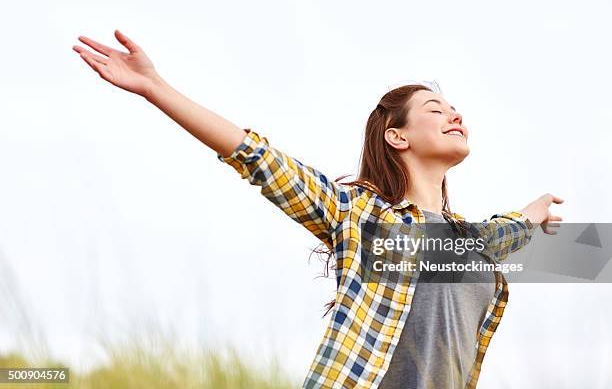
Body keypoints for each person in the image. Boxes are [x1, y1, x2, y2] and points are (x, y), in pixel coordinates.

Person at [72, 30, 564, 389]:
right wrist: (157, 87)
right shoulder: (360, 215)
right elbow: (257, 157)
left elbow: (506, 232)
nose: (454, 114)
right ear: (398, 136)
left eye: (454, 108)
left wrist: (534, 214)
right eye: (435, 110)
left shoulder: (469, 242)